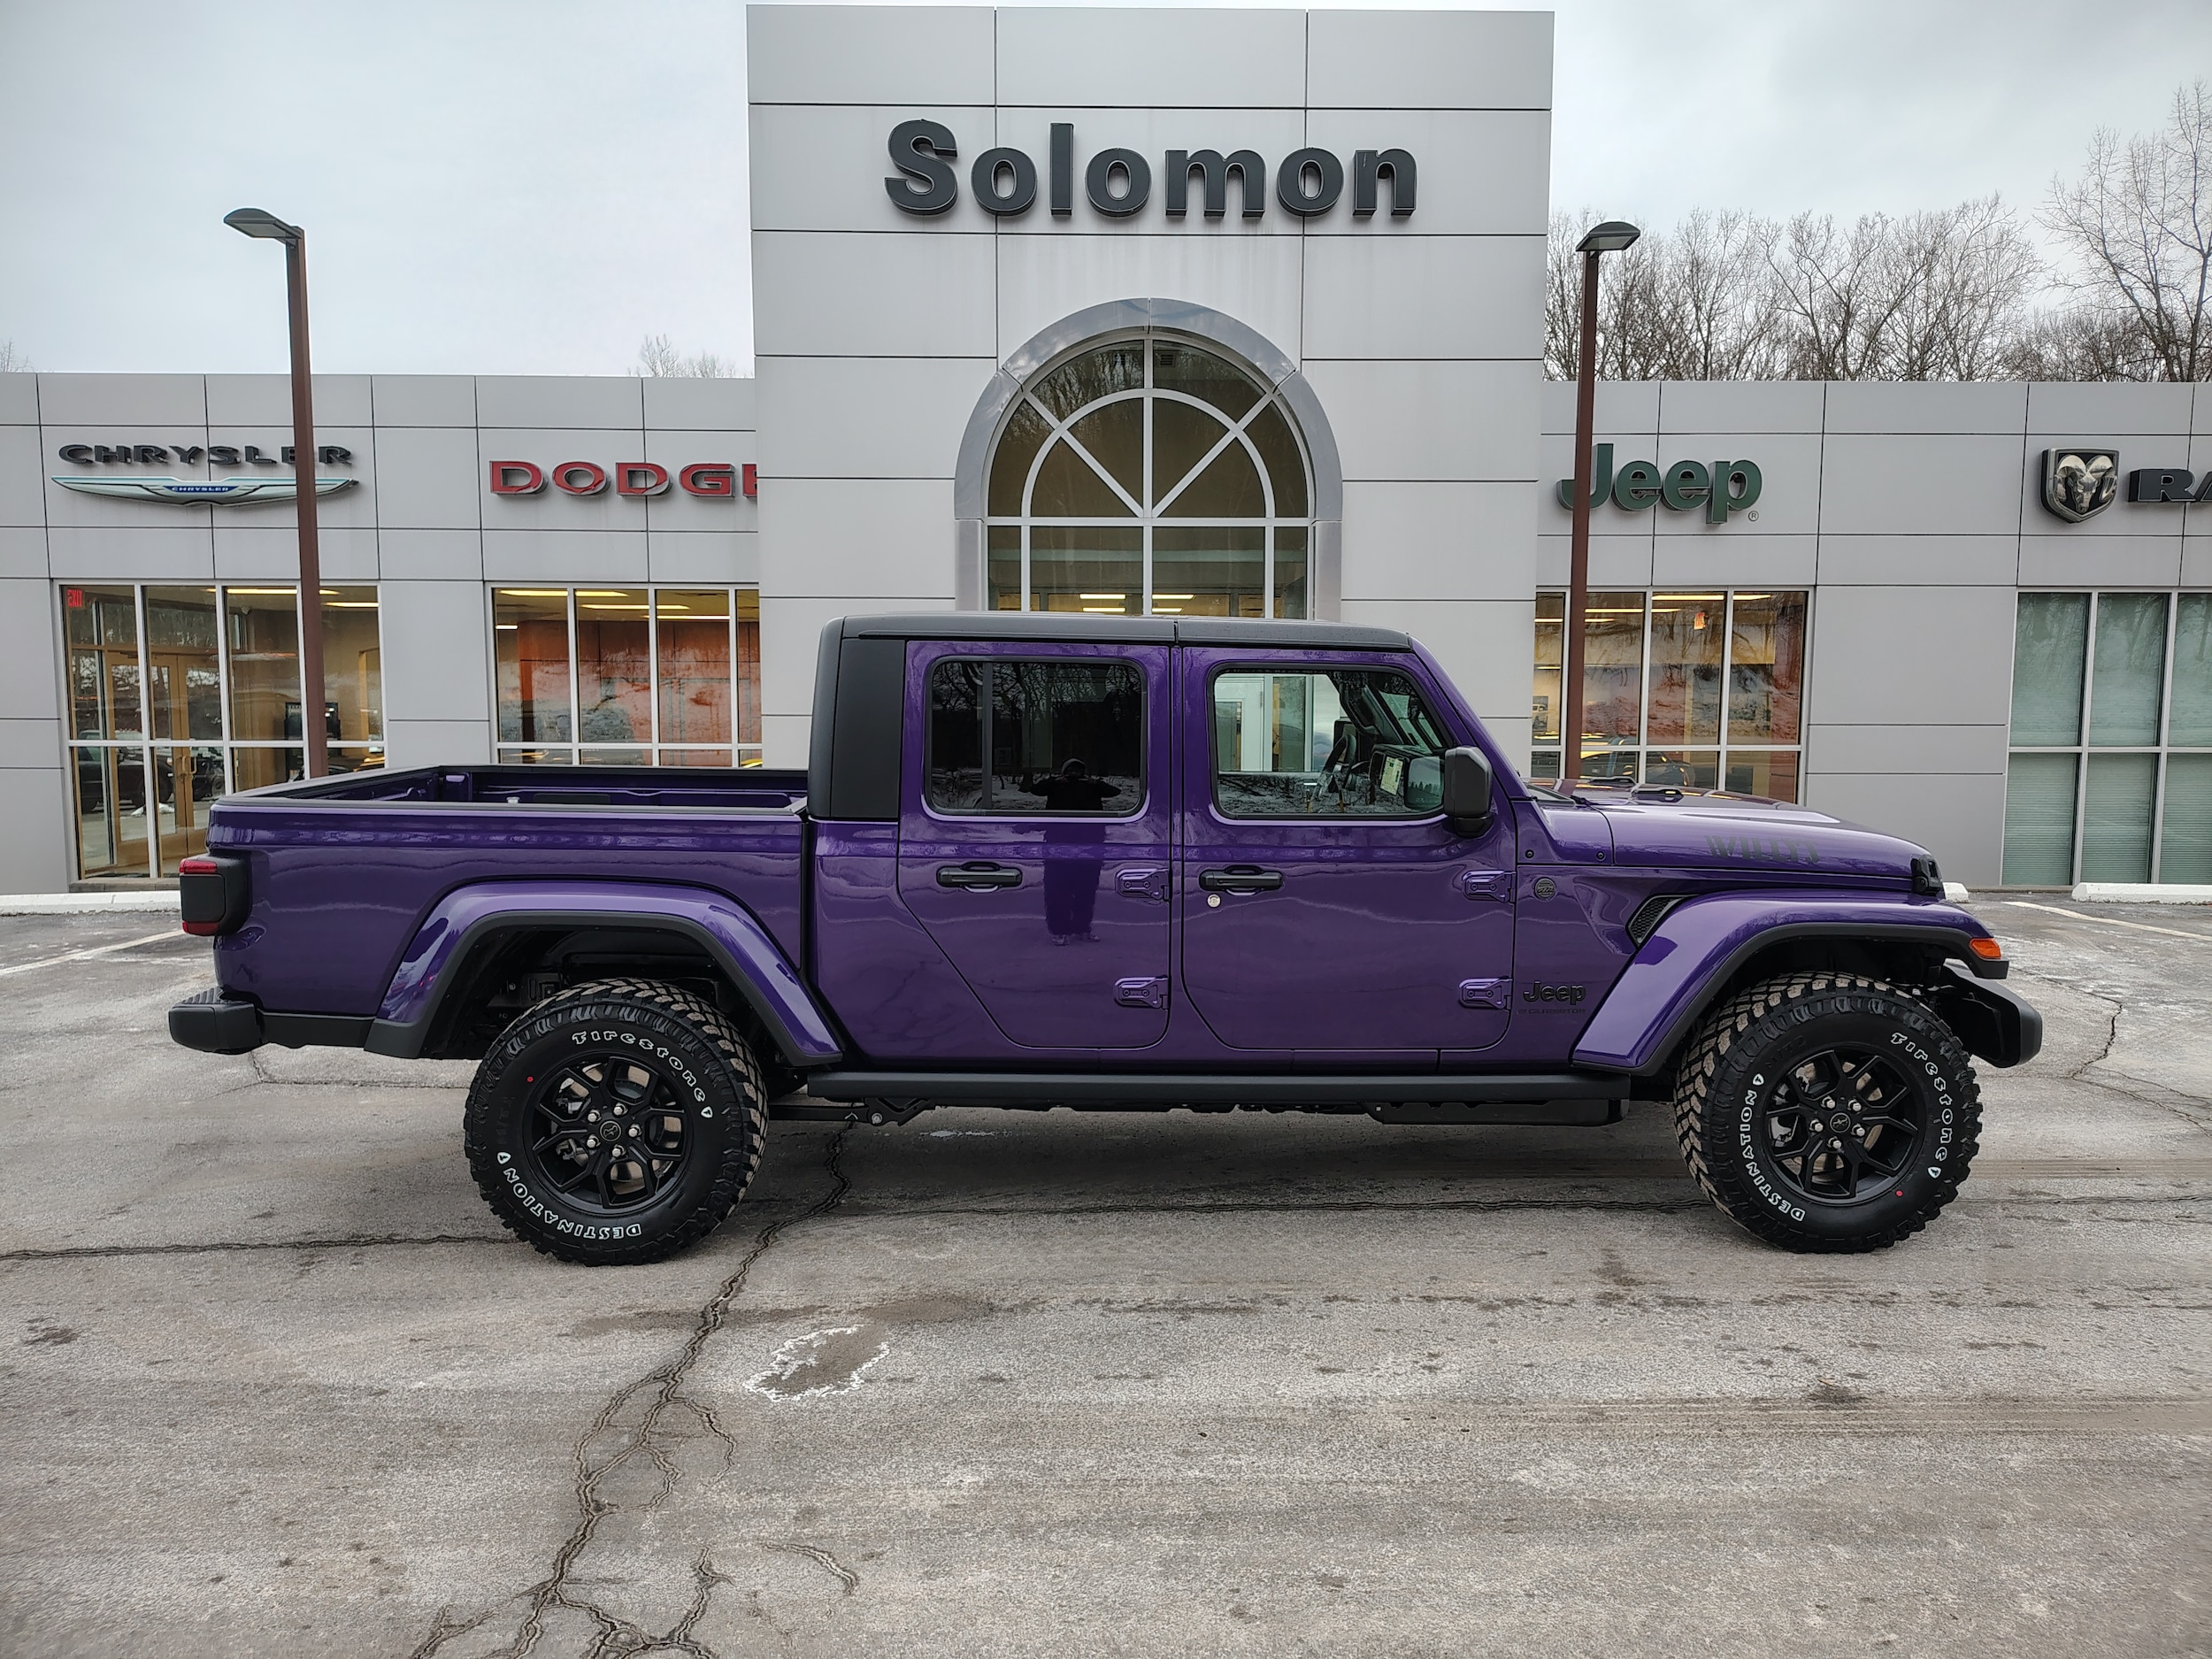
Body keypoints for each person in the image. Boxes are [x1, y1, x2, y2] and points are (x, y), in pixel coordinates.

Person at [1028, 759, 1118, 941]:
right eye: (1071, 771)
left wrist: (1096, 783)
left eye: (1078, 771)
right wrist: (1054, 781)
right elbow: (1036, 790)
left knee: (1087, 889)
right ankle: (1059, 930)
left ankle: (1082, 928)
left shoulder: (1092, 786)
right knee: (1058, 889)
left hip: (1090, 844)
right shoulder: (1056, 785)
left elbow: (1115, 792)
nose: (1075, 774)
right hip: (1058, 844)